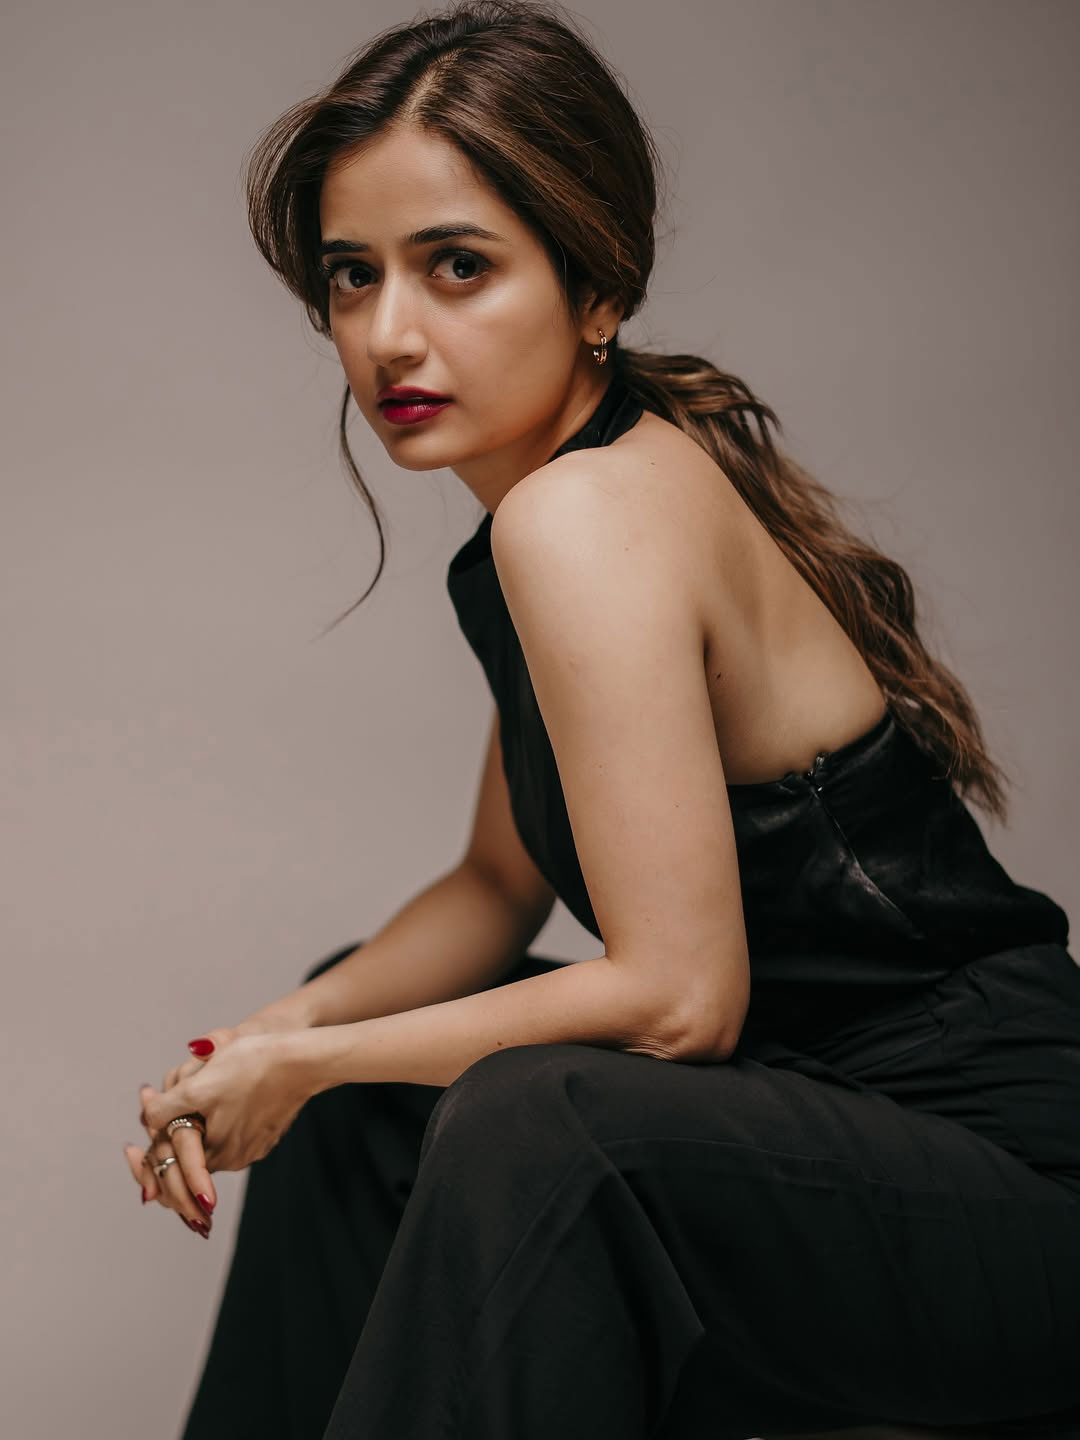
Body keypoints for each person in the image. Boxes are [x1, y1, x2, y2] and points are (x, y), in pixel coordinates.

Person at [122, 2, 1080, 1437]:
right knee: (368, 1076)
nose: (389, 334)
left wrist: (306, 1064)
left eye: (458, 266)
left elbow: (681, 1004)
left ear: (597, 289)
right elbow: (495, 884)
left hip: (1007, 1197)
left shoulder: (585, 516)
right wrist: (267, 1040)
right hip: (814, 1147)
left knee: (535, 1117)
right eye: (352, 275)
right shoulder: (555, 512)